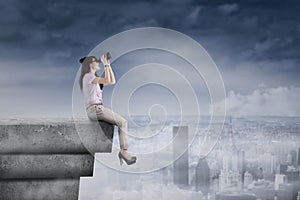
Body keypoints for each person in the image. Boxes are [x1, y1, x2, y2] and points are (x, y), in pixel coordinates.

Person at [79, 54, 136, 165]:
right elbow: (107, 79)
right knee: (123, 122)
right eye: (96, 61)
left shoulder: (92, 77)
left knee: (122, 122)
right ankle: (124, 152)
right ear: (90, 64)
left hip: (96, 109)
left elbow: (111, 81)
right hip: (95, 109)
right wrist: (105, 65)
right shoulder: (88, 76)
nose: (98, 63)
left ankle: (123, 152)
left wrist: (108, 65)